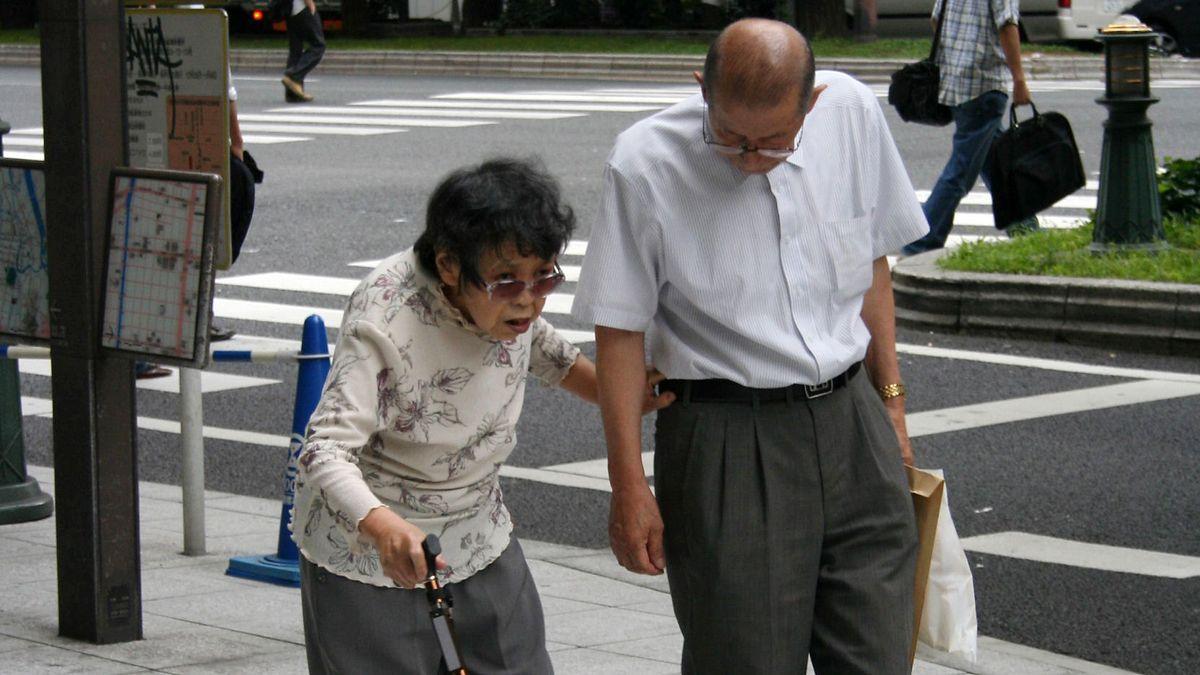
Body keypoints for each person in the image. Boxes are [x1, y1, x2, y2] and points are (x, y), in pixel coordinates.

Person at [571, 19, 927, 674]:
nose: (750, 157)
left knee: (880, 654)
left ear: (810, 104)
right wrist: (628, 483)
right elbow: (618, 331)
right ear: (701, 88)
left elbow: (872, 262)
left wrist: (893, 404)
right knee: (744, 659)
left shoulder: (848, 112)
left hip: (853, 421)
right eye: (731, 137)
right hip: (728, 436)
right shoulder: (646, 160)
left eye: (772, 142)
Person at [291, 158, 673, 673]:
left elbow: (554, 358)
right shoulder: (386, 314)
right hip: (372, 544)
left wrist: (629, 393)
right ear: (450, 266)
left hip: (476, 529)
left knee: (518, 662)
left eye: (543, 277)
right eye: (507, 281)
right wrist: (384, 528)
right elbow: (324, 449)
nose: (529, 301)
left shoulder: (512, 307)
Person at [901, 0, 1038, 256]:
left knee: (996, 163)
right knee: (961, 171)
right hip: (984, 83)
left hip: (956, 83)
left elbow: (936, 18)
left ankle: (1025, 228)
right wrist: (1019, 79)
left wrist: (957, 55)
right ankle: (921, 240)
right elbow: (1007, 24)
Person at [281, 0, 326, 103]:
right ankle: (294, 76)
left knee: (295, 49)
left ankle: (292, 94)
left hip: (291, 8)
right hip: (302, 7)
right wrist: (309, 2)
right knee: (318, 45)